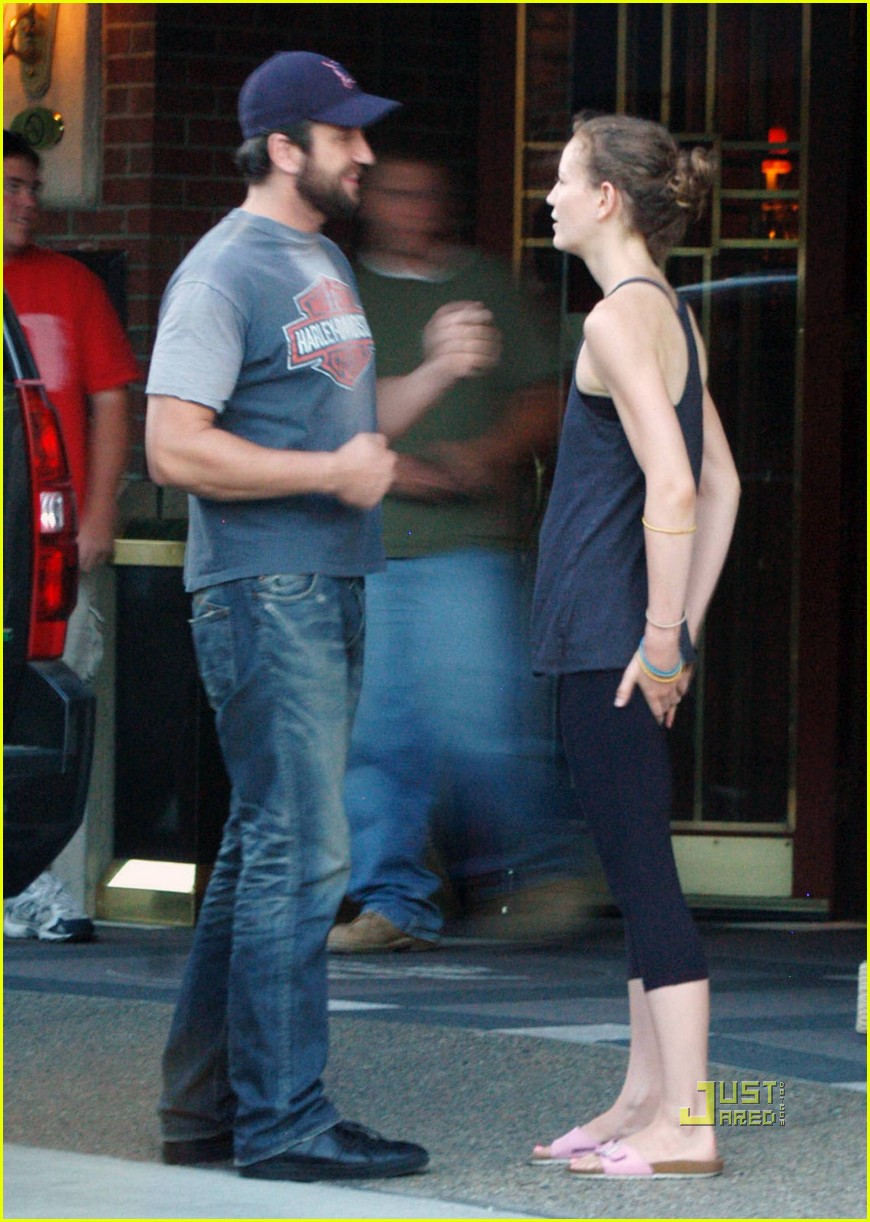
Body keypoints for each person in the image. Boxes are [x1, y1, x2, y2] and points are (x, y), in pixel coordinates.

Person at [145, 52, 499, 1182]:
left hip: (324, 583)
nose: (367, 153)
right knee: (302, 854)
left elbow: (345, 428)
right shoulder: (225, 269)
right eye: (345, 135)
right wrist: (325, 477)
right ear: (284, 147)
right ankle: (285, 1123)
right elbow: (173, 446)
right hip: (266, 590)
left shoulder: (319, 261)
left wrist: (432, 374)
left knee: (265, 850)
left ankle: (206, 1110)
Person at [528, 114, 740, 1178]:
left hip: (603, 635)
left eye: (564, 179)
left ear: (606, 197)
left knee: (644, 873)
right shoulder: (671, 311)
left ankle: (689, 1122)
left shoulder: (616, 319)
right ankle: (645, 1098)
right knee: (632, 857)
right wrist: (678, 632)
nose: (550, 196)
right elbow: (724, 483)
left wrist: (661, 640)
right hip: (628, 634)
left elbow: (680, 485)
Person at [328, 154, 590, 955]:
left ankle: (537, 876)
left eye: (428, 193)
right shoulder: (340, 290)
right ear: (368, 201)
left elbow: (547, 395)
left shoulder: (485, 283)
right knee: (376, 736)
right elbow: (315, 408)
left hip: (467, 546)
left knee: (483, 724)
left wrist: (485, 456)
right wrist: (393, 468)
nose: (415, 207)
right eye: (398, 192)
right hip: (367, 546)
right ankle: (393, 902)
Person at [3, 129, 139, 943]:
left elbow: (113, 399)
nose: (27, 201)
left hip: (50, 550)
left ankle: (34, 884)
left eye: (32, 186)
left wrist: (99, 514)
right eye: (10, 186)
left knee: (52, 714)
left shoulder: (71, 284)